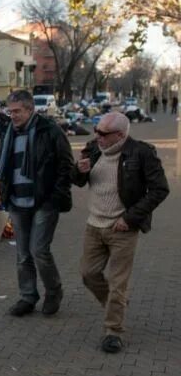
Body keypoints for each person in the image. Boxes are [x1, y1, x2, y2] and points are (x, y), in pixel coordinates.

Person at [71, 112, 168, 353]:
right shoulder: (93, 148)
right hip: (94, 225)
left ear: (120, 135)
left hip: (122, 227)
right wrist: (79, 170)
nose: (97, 136)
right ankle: (117, 304)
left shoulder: (142, 153)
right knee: (88, 273)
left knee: (118, 282)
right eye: (96, 130)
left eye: (103, 133)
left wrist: (130, 217)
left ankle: (113, 331)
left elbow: (159, 189)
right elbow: (78, 180)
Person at [0, 90, 74, 317]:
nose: (13, 116)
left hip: (43, 201)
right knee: (22, 255)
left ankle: (54, 291)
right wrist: (4, 194)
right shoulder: (8, 132)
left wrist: (54, 197)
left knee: (39, 250)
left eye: (17, 111)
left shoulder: (49, 131)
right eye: (10, 111)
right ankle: (27, 296)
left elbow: (66, 165)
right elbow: (5, 167)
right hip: (17, 201)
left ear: (30, 110)